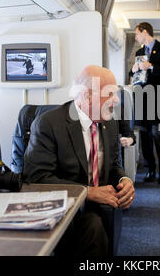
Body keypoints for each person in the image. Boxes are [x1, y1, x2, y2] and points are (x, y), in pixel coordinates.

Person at [24, 65, 135, 256]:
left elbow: (114, 164)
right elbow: (37, 178)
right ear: (87, 97)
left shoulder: (110, 122)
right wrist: (87, 192)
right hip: (65, 207)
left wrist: (124, 180)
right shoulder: (48, 124)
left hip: (101, 203)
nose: (116, 100)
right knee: (93, 227)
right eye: (109, 94)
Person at [129, 22, 160, 184]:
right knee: (145, 137)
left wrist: (151, 66)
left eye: (137, 34)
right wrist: (133, 70)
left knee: (158, 135)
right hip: (142, 98)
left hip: (158, 98)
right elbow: (134, 75)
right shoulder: (139, 52)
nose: (135, 37)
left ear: (145, 32)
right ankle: (150, 170)